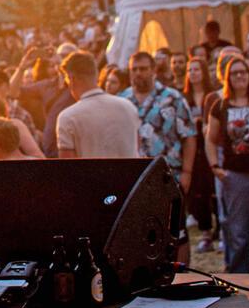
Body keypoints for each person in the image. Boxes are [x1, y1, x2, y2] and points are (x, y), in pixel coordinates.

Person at [120, 52, 197, 249]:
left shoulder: (173, 98)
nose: (139, 73)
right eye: (134, 69)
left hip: (169, 174)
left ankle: (181, 273)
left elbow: (189, 135)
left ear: (153, 70)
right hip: (134, 178)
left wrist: (188, 172)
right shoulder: (122, 101)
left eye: (143, 69)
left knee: (176, 231)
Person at [205, 57, 249, 273]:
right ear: (227, 78)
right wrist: (215, 167)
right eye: (235, 73)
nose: (240, 76)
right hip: (235, 174)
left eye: (243, 72)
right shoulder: (220, 106)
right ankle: (239, 277)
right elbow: (210, 139)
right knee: (238, 231)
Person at [55, 52, 140, 160]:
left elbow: (67, 167)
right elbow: (137, 148)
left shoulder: (67, 117)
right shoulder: (129, 107)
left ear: (72, 79)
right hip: (132, 176)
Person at [182, 56, 218, 253]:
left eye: (196, 69)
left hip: (209, 146)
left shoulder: (212, 96)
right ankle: (205, 233)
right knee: (198, 192)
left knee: (214, 190)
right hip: (193, 149)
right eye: (190, 70)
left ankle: (220, 230)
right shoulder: (183, 98)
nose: (193, 73)